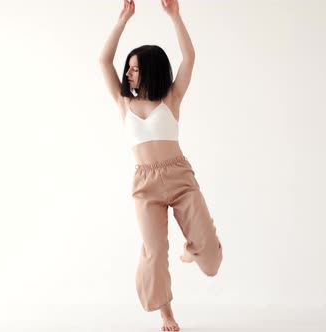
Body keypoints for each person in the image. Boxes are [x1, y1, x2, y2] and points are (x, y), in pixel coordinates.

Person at [99, 1, 223, 330]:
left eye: (135, 68)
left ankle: (194, 248)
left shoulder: (171, 98)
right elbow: (102, 60)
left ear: (151, 69)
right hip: (145, 185)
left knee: (210, 260)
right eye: (128, 67)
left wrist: (175, 17)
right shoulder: (123, 101)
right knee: (154, 253)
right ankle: (166, 313)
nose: (128, 73)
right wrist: (123, 19)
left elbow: (190, 58)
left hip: (179, 176)